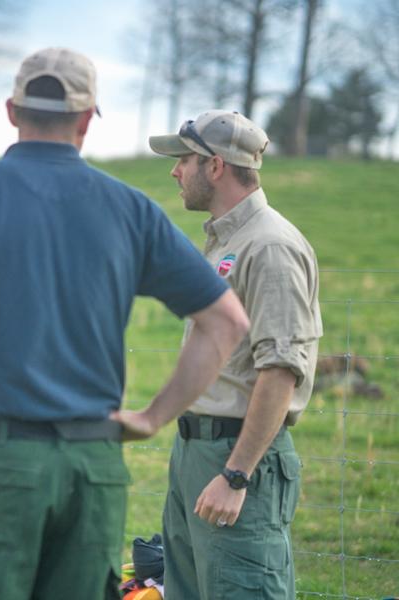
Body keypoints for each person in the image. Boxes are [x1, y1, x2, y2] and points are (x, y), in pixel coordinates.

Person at [0, 48, 250, 599]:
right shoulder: (130, 208)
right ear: (87, 119)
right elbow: (225, 321)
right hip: (91, 468)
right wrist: (151, 417)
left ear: (12, 111)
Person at [147, 110, 322, 598]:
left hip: (237, 457)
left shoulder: (270, 246)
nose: (175, 171)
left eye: (183, 160)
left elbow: (282, 368)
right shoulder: (228, 241)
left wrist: (237, 474)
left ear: (216, 165)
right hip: (196, 453)